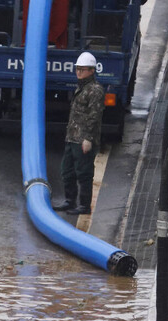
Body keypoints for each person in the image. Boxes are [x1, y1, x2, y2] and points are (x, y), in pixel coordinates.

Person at [53, 52, 105, 216]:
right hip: (72, 137)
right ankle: (70, 201)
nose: (79, 72)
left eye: (82, 70)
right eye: (77, 69)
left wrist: (88, 139)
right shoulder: (81, 88)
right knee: (67, 170)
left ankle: (84, 205)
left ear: (91, 70)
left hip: (83, 139)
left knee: (84, 173)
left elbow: (94, 116)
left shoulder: (95, 90)